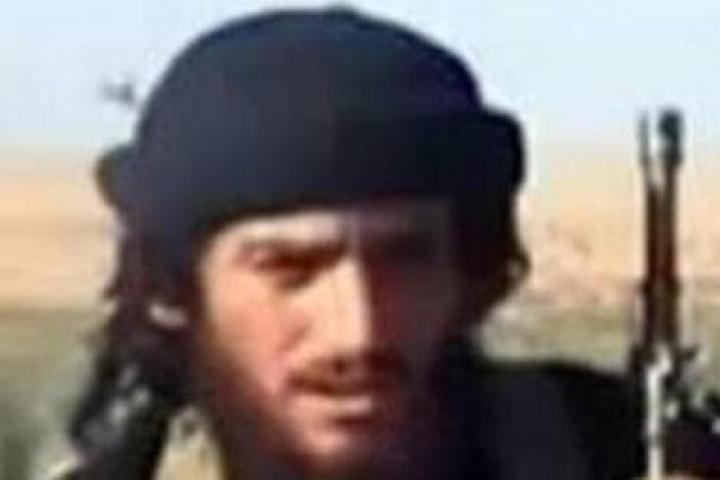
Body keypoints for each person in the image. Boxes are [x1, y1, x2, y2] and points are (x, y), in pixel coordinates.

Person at [53, 8, 719, 480]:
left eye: (405, 258)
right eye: (290, 267)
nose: (360, 329)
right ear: (170, 287)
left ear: (469, 269)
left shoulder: (606, 450)